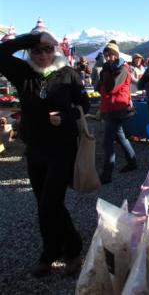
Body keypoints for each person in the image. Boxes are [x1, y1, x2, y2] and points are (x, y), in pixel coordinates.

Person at [0, 30, 90, 277]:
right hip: (35, 148)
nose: (43, 55)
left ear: (56, 51)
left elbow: (84, 105)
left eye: (48, 49)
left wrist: (66, 117)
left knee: (50, 202)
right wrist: (35, 38)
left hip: (62, 148)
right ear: (30, 51)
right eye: (37, 50)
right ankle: (52, 251)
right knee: (44, 204)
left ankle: (70, 251)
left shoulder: (68, 74)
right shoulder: (23, 72)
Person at [98, 40, 137, 184]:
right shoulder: (109, 68)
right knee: (120, 137)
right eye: (106, 55)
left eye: (110, 55)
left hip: (117, 109)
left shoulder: (122, 69)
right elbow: (99, 86)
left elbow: (110, 87)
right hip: (110, 108)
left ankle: (106, 174)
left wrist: (105, 73)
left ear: (116, 55)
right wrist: (104, 74)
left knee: (108, 142)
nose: (108, 58)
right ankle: (132, 162)